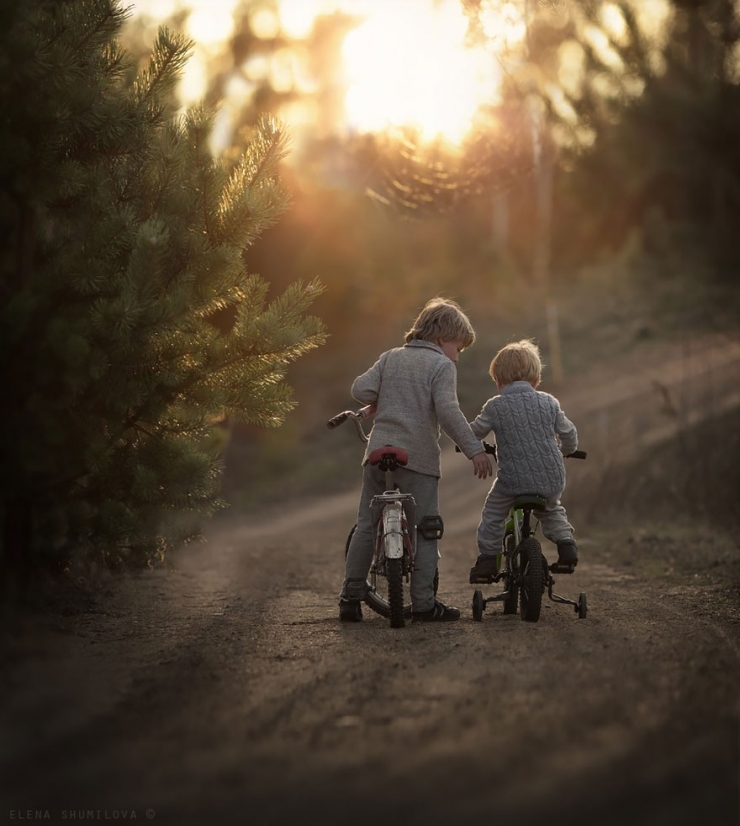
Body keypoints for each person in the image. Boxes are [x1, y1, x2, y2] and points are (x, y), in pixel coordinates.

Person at [339, 297, 493, 623]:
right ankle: (423, 604)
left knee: (367, 526)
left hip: (377, 456)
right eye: (458, 347)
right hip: (417, 460)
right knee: (426, 529)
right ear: (441, 339)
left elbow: (359, 389)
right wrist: (474, 450)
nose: (457, 355)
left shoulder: (391, 357)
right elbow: (449, 413)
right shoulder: (441, 366)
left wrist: (384, 396)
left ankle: (350, 599)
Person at [468, 339, 579, 584]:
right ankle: (567, 547)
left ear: (498, 380)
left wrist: (471, 447)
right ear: (536, 379)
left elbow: (473, 432)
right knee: (551, 510)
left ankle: (488, 560)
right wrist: (568, 451)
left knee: (493, 514)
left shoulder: (495, 406)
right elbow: (568, 433)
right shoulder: (549, 402)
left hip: (513, 480)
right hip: (551, 476)